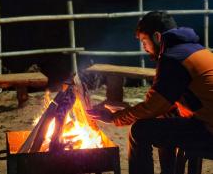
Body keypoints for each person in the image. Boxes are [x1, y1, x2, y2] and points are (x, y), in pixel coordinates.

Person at [87, 11, 213, 174]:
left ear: (157, 37)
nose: (144, 48)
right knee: (165, 116)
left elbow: (152, 108)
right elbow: (161, 105)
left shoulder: (173, 59)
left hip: (209, 131)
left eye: (144, 41)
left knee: (139, 131)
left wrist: (113, 118)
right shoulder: (196, 50)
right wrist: (127, 109)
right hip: (206, 120)